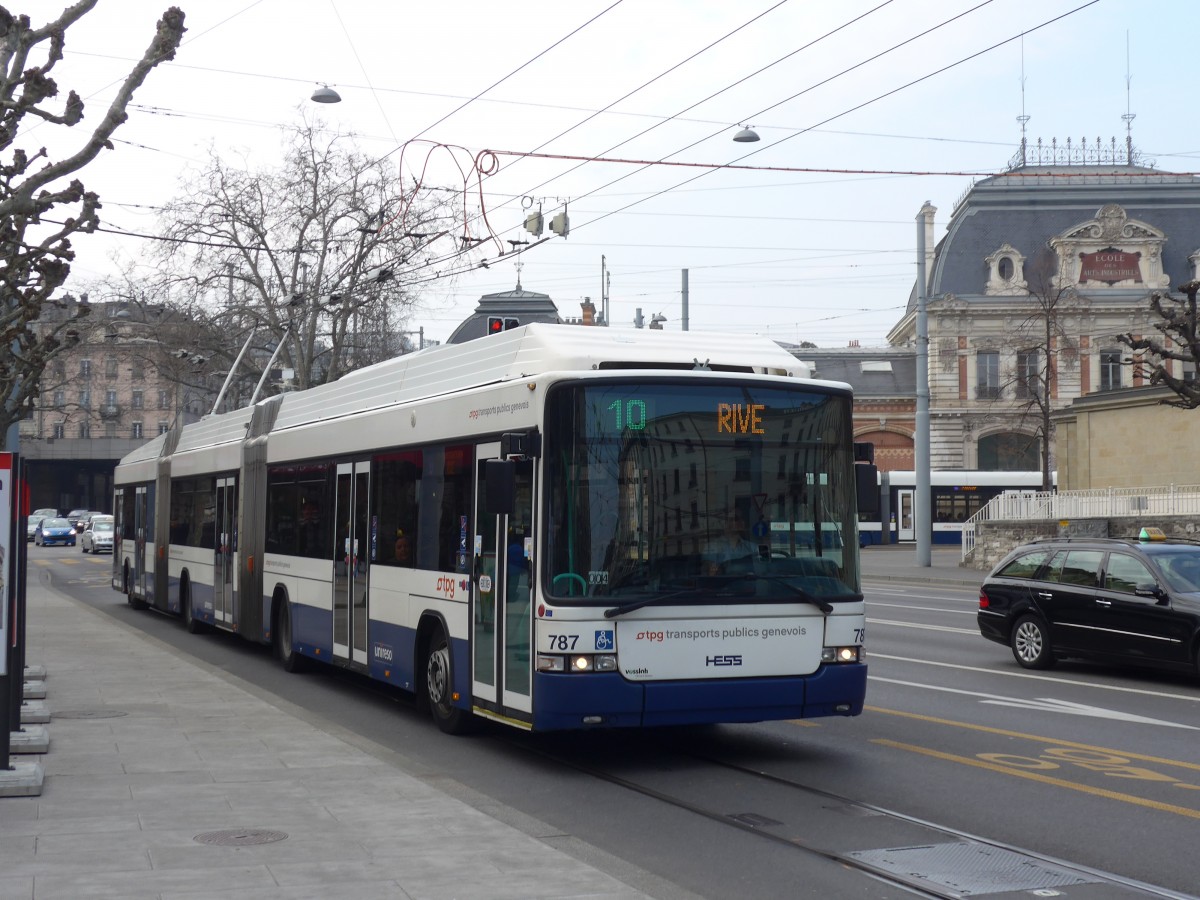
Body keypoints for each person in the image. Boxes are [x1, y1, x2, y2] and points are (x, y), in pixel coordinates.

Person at [704, 509, 759, 575]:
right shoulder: (712, 546)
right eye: (736, 519)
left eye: (742, 518)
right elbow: (711, 573)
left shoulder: (753, 547)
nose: (741, 521)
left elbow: (760, 572)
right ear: (725, 523)